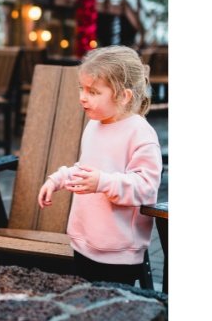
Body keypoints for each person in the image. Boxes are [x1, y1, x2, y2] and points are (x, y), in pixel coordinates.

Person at [38, 47, 161, 288]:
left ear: (124, 96)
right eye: (81, 89)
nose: (83, 97)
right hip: (83, 242)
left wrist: (104, 182)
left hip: (117, 251)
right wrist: (58, 179)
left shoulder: (139, 132)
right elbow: (86, 170)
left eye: (93, 91)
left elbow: (146, 187)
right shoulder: (94, 126)